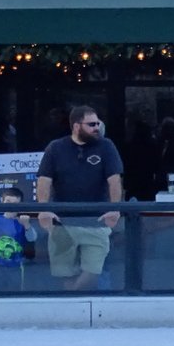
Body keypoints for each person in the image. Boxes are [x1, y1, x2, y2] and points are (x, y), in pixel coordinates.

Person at [36, 105, 125, 291]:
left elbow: (115, 180)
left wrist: (115, 208)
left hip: (96, 221)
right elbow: (44, 180)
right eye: (92, 124)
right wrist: (44, 210)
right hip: (63, 222)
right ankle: (74, 309)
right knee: (65, 273)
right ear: (77, 126)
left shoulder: (105, 146)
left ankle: (78, 299)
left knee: (94, 271)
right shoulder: (56, 148)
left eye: (98, 123)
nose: (97, 128)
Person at [0, 186, 37, 290]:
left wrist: (27, 225)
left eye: (14, 204)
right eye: (8, 202)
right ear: (3, 202)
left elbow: (32, 238)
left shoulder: (22, 222)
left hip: (16, 265)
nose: (10, 206)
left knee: (16, 291)